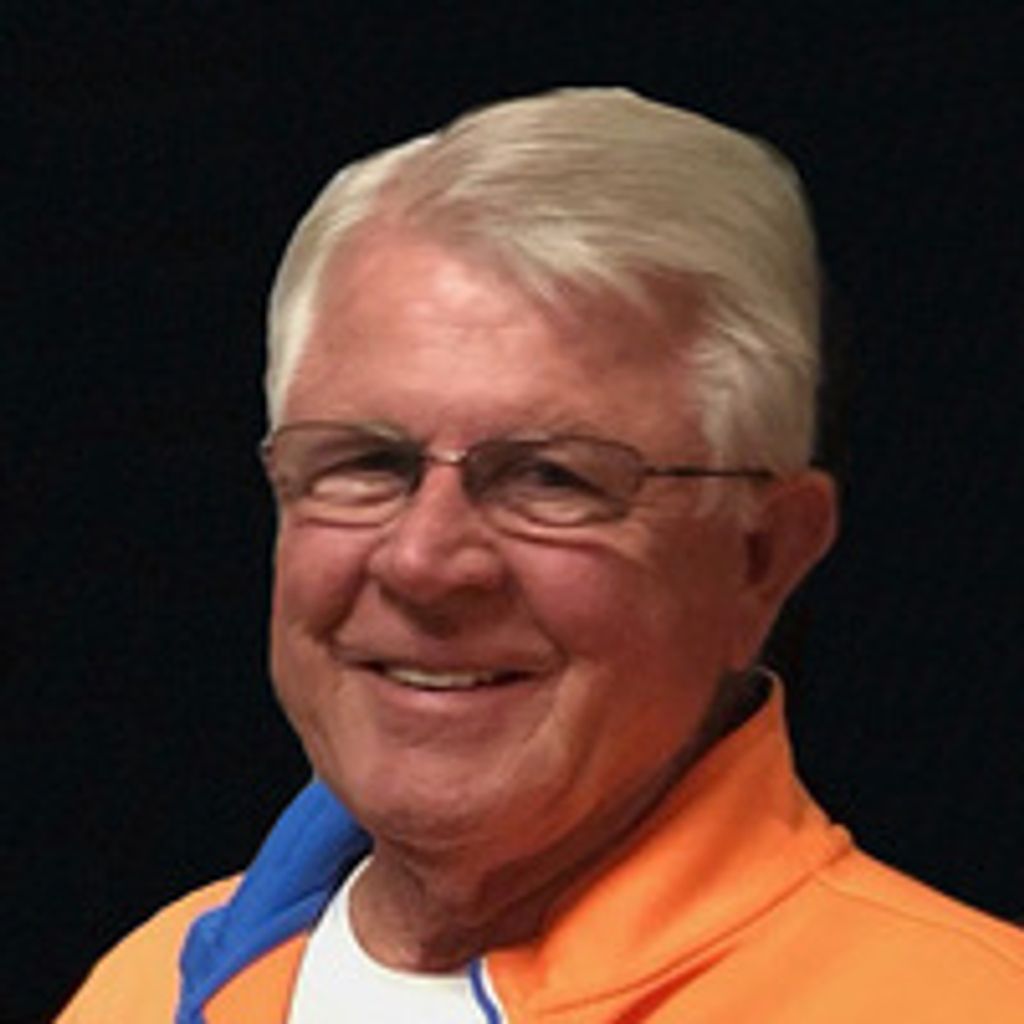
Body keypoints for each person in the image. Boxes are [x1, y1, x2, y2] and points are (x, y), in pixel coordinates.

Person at [58, 87, 1023, 1023]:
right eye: (367, 463)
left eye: (551, 477)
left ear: (762, 557)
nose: (425, 561)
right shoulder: (146, 987)